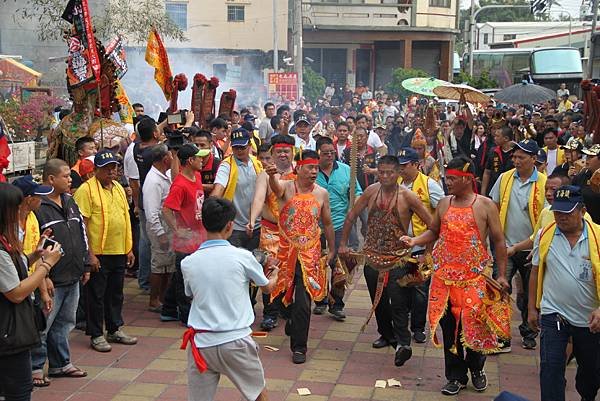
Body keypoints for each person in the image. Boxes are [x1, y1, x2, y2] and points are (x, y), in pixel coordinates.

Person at [402, 157, 510, 396]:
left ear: (467, 179)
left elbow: (499, 241)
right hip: (444, 279)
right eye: (447, 178)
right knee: (449, 327)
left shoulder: (485, 205)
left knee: (475, 326)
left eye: (452, 178)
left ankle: (477, 369)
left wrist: (502, 275)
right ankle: (455, 376)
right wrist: (415, 241)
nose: (447, 182)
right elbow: (434, 231)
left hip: (474, 278)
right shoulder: (443, 203)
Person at [181, 197, 279, 401]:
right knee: (258, 395)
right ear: (230, 225)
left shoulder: (188, 262)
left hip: (202, 343)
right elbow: (267, 288)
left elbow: (191, 294)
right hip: (236, 341)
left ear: (203, 222)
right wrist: (275, 274)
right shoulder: (243, 257)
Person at [339, 155, 433, 367]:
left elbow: (433, 225)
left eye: (390, 172)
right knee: (378, 301)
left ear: (399, 173)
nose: (385, 176)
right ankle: (386, 334)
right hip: (372, 258)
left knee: (398, 302)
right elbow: (351, 215)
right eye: (381, 172)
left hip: (398, 259)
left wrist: (426, 250)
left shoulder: (408, 197)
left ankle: (403, 343)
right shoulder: (371, 191)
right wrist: (343, 243)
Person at [528, 185, 600, 401]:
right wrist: (532, 308)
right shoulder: (545, 234)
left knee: (591, 374)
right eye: (557, 211)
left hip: (589, 320)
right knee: (550, 368)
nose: (560, 217)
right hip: (554, 313)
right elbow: (535, 271)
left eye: (567, 212)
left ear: (583, 211)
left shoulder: (598, 238)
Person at [267, 149, 335, 364]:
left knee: (304, 302)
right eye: (310, 167)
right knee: (281, 296)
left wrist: (332, 249)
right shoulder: (287, 187)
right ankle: (292, 321)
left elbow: (328, 223)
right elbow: (276, 189)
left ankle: (299, 347)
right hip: (286, 252)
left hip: (310, 253)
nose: (314, 171)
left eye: (316, 168)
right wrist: (270, 175)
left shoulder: (322, 193)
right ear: (299, 168)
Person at [0, 183, 63, 401]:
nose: (21, 212)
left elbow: (13, 268)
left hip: (10, 332)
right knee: (18, 390)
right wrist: (46, 265)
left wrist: (34, 256)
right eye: (17, 208)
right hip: (8, 333)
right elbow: (15, 292)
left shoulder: (7, 242)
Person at [30, 159, 89, 383]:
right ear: (51, 179)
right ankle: (36, 368)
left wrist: (85, 262)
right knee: (44, 325)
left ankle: (61, 363)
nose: (70, 179)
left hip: (72, 274)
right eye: (65, 176)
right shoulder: (39, 207)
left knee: (65, 323)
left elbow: (81, 231)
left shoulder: (70, 200)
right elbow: (36, 243)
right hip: (51, 277)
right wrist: (44, 276)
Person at [74, 150, 136, 352]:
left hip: (118, 250)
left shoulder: (118, 187)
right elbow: (82, 225)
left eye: (114, 167)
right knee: (96, 296)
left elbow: (125, 219)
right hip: (98, 253)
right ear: (96, 170)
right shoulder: (86, 190)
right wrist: (89, 254)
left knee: (116, 293)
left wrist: (129, 248)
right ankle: (96, 333)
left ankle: (114, 328)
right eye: (107, 168)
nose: (111, 171)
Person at [490, 139, 547, 351]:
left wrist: (530, 245)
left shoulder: (543, 183)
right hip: (504, 246)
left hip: (531, 249)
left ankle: (529, 332)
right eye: (514, 157)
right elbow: (494, 206)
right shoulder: (505, 179)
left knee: (528, 293)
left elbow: (546, 222)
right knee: (500, 288)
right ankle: (501, 335)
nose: (516, 161)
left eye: (521, 157)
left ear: (533, 159)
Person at [248, 136, 296, 331]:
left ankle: (287, 305)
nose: (283, 155)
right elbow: (259, 199)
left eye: (286, 151)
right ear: (273, 154)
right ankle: (270, 313)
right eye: (279, 152)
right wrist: (252, 220)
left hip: (292, 232)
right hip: (270, 229)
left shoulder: (299, 174)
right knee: (269, 268)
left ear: (293, 152)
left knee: (291, 269)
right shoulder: (264, 175)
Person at [397, 148, 444, 343]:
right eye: (399, 165)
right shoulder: (397, 184)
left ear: (416, 165)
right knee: (399, 287)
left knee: (419, 289)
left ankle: (418, 327)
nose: (401, 169)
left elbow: (442, 214)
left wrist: (429, 250)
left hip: (421, 245)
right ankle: (400, 326)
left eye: (405, 165)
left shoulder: (429, 185)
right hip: (399, 246)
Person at [314, 137, 362, 320]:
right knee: (317, 263)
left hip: (340, 223)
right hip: (315, 226)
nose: (329, 156)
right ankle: (320, 300)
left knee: (339, 265)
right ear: (318, 152)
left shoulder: (346, 170)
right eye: (325, 153)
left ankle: (337, 304)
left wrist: (355, 207)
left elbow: (357, 193)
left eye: (332, 153)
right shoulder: (310, 171)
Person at [161, 144, 207, 324]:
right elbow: (166, 210)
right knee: (183, 279)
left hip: (198, 237)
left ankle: (168, 309)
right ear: (190, 160)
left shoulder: (196, 176)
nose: (202, 160)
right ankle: (185, 314)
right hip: (185, 242)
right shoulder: (179, 185)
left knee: (182, 275)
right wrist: (177, 230)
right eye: (199, 157)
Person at [213, 128, 263, 252]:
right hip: (235, 229)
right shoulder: (226, 166)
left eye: (242, 147)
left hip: (258, 226)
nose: (239, 151)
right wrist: (212, 204)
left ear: (250, 145)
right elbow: (218, 189)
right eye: (236, 148)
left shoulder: (257, 164)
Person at [142, 144, 175, 312]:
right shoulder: (153, 181)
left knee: (168, 264)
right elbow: (151, 212)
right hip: (159, 226)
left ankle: (163, 297)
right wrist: (160, 234)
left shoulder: (165, 175)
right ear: (165, 159)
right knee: (159, 264)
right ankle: (154, 299)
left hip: (167, 225)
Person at [481, 126, 514, 196]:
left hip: (511, 189)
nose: (494, 138)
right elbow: (487, 172)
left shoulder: (516, 153)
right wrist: (483, 191)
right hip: (493, 189)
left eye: (497, 136)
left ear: (506, 138)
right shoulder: (493, 151)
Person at [573, 144, 600, 224]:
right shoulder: (581, 175)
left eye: (591, 157)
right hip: (583, 224)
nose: (587, 159)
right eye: (587, 156)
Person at [190, 129, 220, 195]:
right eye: (196, 145)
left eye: (202, 145)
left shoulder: (218, 164)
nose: (199, 148)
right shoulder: (190, 162)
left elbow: (218, 187)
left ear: (211, 145)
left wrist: (194, 185)